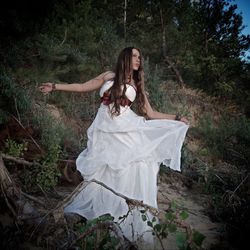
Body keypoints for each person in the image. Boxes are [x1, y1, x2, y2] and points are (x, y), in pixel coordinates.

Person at [39, 47, 189, 247]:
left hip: (126, 128)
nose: (138, 60)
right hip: (105, 129)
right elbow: (83, 86)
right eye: (135, 56)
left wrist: (177, 118)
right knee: (105, 168)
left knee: (132, 165)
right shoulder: (109, 75)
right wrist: (56, 86)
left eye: (140, 57)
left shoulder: (137, 84)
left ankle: (125, 211)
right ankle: (99, 211)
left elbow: (151, 114)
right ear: (125, 57)